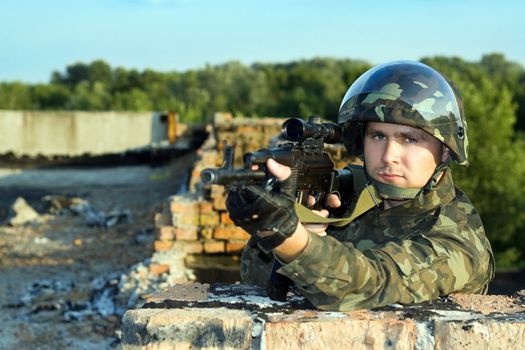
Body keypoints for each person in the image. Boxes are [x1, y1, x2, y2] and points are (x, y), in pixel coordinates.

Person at [225, 60, 495, 311]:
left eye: (410, 140)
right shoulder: (350, 197)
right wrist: (277, 228)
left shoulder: (457, 238)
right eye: (378, 135)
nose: (389, 155)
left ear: (446, 150)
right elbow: (257, 280)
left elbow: (371, 283)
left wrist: (290, 238)